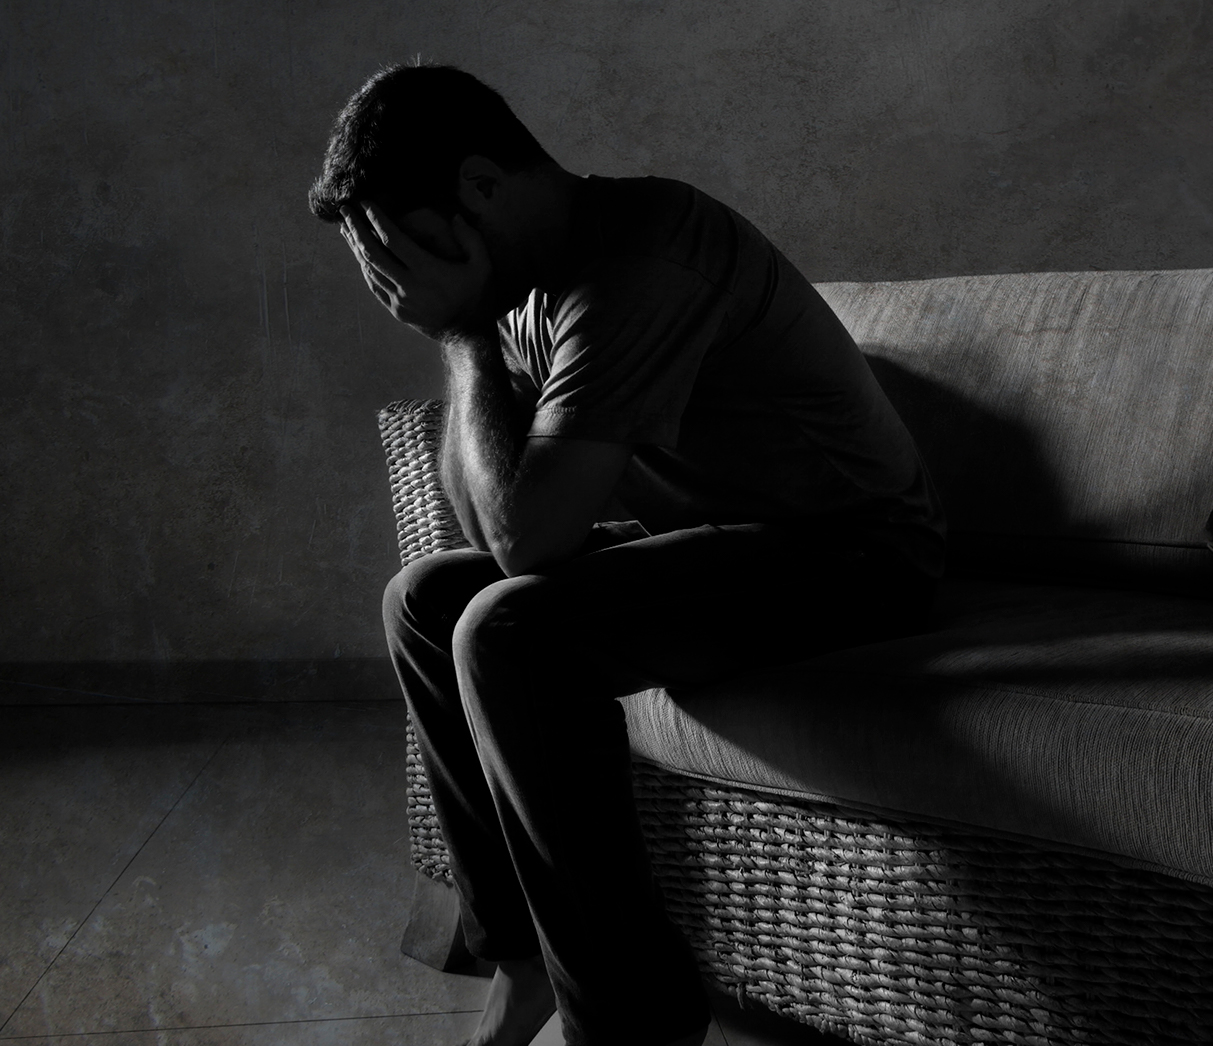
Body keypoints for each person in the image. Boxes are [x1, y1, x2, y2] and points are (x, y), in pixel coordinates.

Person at [307, 63, 945, 1046]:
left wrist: (460, 332)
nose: (406, 285)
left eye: (411, 248)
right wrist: (470, 329)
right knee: (424, 600)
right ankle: (522, 960)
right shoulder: (521, 282)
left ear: (482, 185)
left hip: (858, 552)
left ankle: (632, 1024)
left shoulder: (643, 258)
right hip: (715, 538)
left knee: (512, 633)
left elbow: (526, 542)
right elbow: (490, 527)